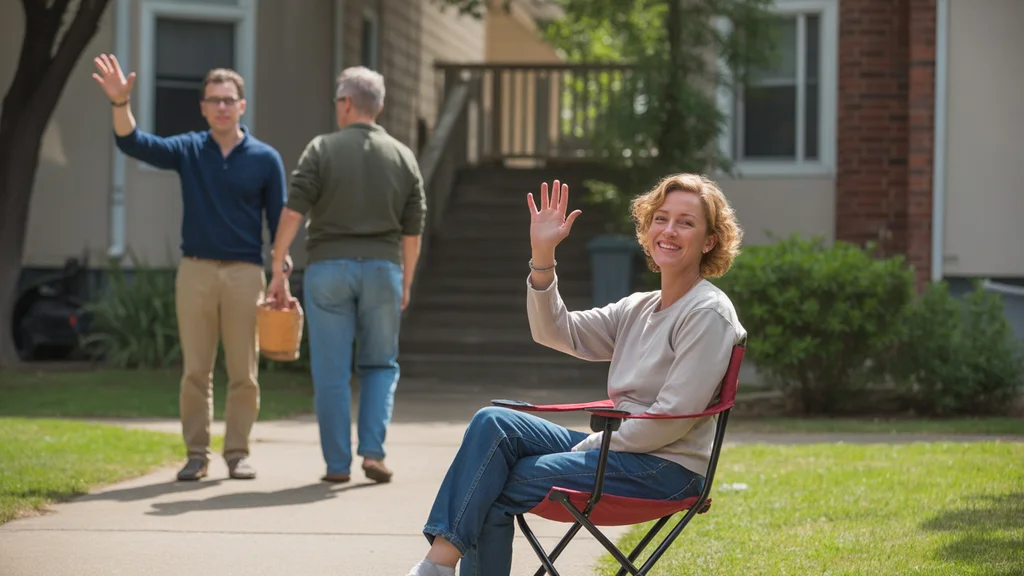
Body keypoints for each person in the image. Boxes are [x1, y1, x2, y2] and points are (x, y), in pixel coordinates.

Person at [405, 174, 747, 576]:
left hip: (666, 469)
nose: (669, 230)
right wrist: (542, 256)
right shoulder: (639, 307)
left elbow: (671, 420)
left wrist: (593, 443)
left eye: (686, 222)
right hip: (622, 452)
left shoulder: (706, 313)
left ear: (709, 240)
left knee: (493, 483)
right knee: (493, 423)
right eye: (661, 218)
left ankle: (434, 569)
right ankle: (438, 565)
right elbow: (555, 331)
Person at [91, 54, 289, 482]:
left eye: (228, 99)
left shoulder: (265, 159)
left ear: (242, 105)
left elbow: (279, 223)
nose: (221, 106)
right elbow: (134, 143)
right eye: (213, 100)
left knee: (244, 372)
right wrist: (119, 103)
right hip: (195, 271)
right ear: (202, 107)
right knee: (195, 370)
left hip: (244, 273)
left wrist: (280, 270)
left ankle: (237, 453)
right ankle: (195, 455)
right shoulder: (188, 150)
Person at [267, 66, 426, 485]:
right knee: (379, 365)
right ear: (381, 106)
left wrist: (278, 261)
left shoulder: (321, 149)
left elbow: (294, 209)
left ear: (348, 102)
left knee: (332, 372)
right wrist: (406, 282)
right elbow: (413, 232)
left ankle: (337, 465)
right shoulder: (404, 156)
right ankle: (373, 454)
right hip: (383, 271)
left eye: (338, 98)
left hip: (328, 271)